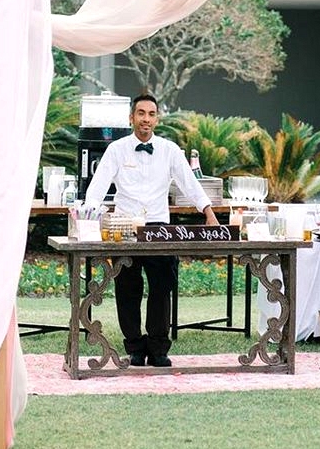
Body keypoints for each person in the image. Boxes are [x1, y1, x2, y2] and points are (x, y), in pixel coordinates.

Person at [83, 92, 219, 367]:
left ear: (157, 118)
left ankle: (158, 348)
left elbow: (189, 183)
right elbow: (98, 186)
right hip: (124, 227)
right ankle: (134, 347)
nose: (146, 119)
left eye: (151, 114)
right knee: (128, 288)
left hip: (159, 227)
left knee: (161, 287)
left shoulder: (170, 150)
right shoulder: (117, 149)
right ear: (131, 117)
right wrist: (89, 214)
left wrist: (208, 211)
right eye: (141, 113)